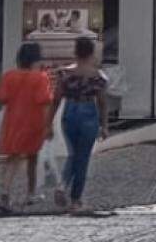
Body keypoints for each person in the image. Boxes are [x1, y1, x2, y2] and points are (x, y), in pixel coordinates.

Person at [47, 36, 109, 212]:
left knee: (73, 153)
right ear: (91, 53)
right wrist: (104, 125)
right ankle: (75, 199)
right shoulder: (97, 76)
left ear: (75, 52)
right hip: (88, 110)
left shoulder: (65, 74)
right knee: (82, 158)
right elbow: (103, 103)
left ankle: (62, 185)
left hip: (70, 110)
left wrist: (48, 123)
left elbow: (56, 100)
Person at [0, 41, 54, 213]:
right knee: (32, 159)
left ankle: (5, 193)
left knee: (12, 159)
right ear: (36, 59)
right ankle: (31, 193)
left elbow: (0, 99)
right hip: (33, 122)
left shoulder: (9, 76)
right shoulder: (40, 77)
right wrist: (48, 125)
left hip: (12, 122)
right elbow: (45, 103)